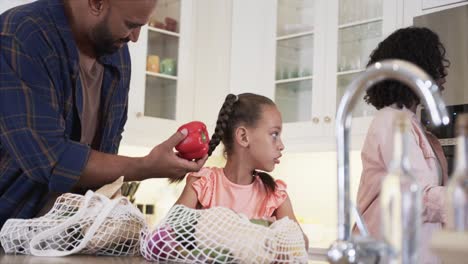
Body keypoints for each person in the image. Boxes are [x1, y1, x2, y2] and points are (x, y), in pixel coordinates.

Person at [0, 0, 207, 227]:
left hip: (60, 238)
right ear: (96, 3)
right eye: (130, 25)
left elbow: (105, 155)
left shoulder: (116, 52)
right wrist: (145, 166)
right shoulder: (21, 35)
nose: (135, 37)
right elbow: (50, 160)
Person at [355, 27, 450, 263]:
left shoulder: (416, 128)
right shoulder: (391, 121)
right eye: (435, 65)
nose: (443, 74)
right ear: (417, 69)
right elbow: (417, 198)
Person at [174, 93, 309, 248]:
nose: (281, 145)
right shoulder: (203, 183)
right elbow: (165, 237)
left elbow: (301, 246)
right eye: (274, 134)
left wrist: (275, 234)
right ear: (243, 137)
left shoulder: (275, 194)